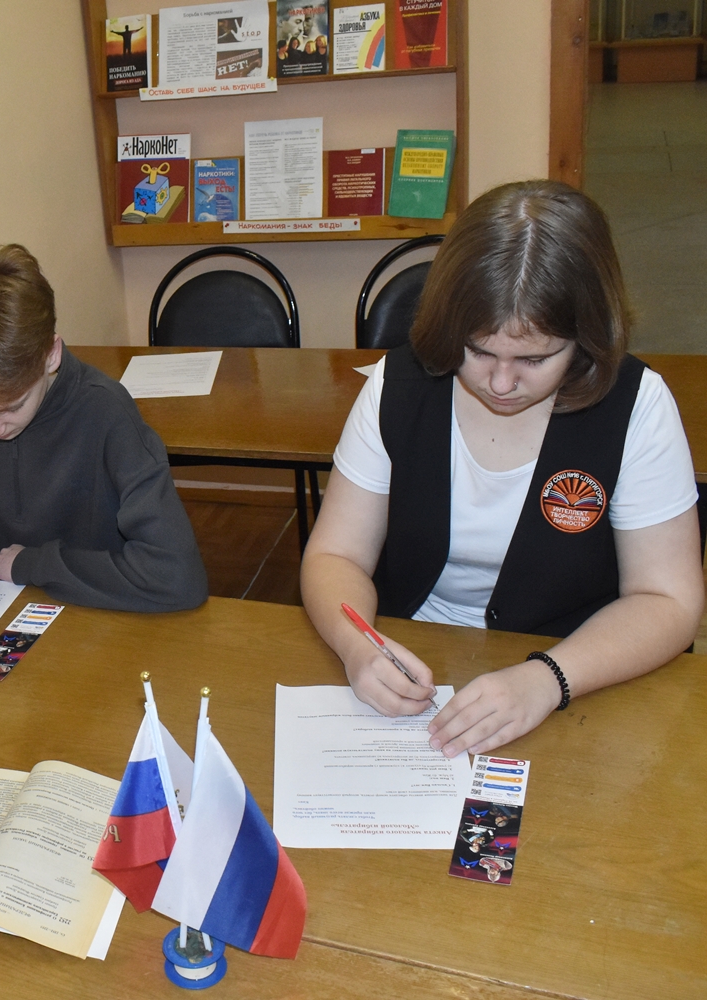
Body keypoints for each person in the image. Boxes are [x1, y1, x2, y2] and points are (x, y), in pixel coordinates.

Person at [301, 179, 703, 758]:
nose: (501, 382)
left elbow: (668, 600)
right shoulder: (399, 385)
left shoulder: (636, 405)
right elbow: (334, 556)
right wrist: (357, 646)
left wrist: (549, 678)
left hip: (576, 666)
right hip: (416, 650)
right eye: (479, 351)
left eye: (535, 359)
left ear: (587, 337)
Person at [0, 244, 208, 612]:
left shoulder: (106, 412)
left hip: (102, 612)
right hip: (2, 609)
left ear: (51, 354)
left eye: (10, 408)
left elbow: (177, 577)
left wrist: (33, 564)